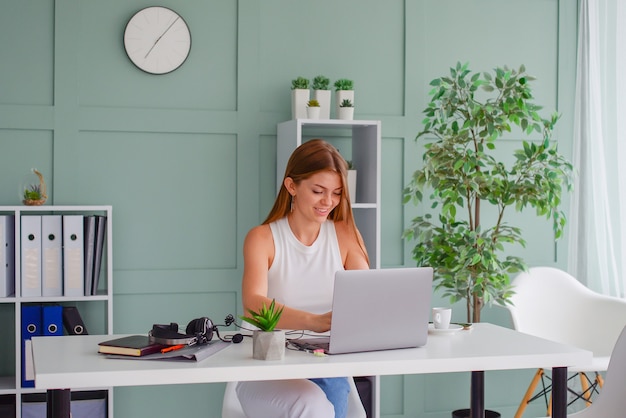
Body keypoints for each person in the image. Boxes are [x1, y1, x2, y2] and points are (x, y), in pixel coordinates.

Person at [236, 139, 370, 418]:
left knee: (327, 398)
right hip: (267, 371)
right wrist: (316, 322)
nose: (328, 202)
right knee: (313, 405)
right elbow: (253, 305)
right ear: (291, 186)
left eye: (336, 193)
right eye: (318, 191)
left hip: (326, 367)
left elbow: (366, 295)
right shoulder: (262, 238)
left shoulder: (346, 235)